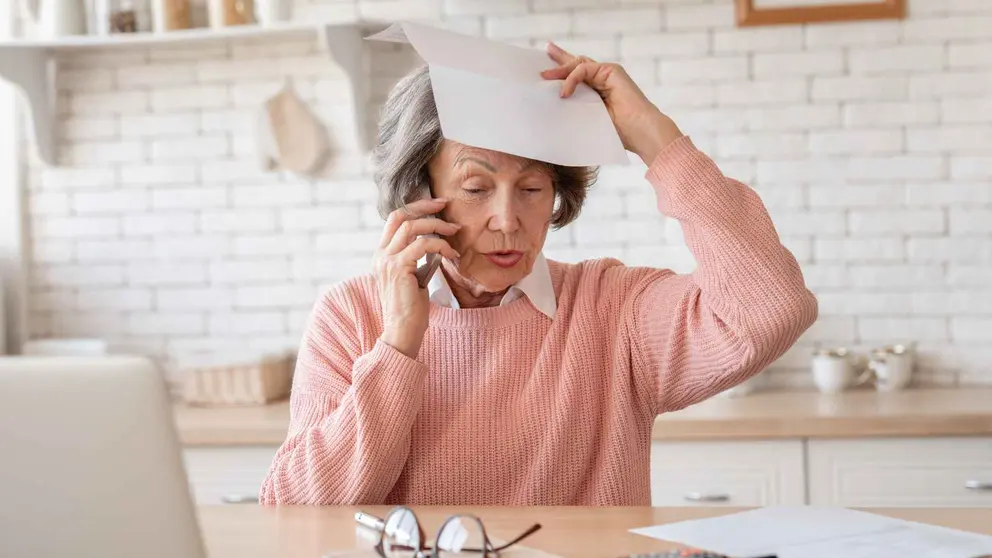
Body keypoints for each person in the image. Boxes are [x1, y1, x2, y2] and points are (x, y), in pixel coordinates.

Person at [259, 43, 818, 506]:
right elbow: (295, 514)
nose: (508, 220)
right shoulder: (351, 317)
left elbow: (771, 309)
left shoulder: (611, 309)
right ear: (419, 194)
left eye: (531, 188)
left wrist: (655, 137)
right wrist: (398, 347)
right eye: (476, 188)